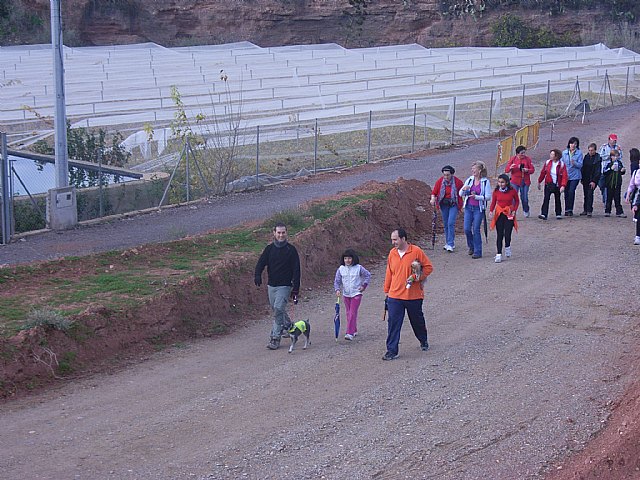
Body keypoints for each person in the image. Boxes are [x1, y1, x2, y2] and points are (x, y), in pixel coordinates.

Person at [382, 228, 433, 360]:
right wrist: (387, 290)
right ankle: (391, 350)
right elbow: (389, 272)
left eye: (395, 239)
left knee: (417, 321)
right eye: (392, 239)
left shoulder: (416, 251)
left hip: (413, 296)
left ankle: (423, 340)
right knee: (393, 323)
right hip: (395, 295)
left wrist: (417, 278)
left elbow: (428, 267)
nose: (393, 242)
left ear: (403, 239)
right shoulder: (392, 253)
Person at [254, 222, 301, 350]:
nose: (281, 235)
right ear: (274, 233)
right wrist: (257, 274)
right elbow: (261, 263)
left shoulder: (291, 250)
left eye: (283, 232)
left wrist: (295, 288)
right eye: (278, 232)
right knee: (277, 309)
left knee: (278, 308)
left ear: (286, 233)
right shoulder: (269, 249)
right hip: (272, 286)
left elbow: (297, 270)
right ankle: (289, 326)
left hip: (285, 286)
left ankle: (275, 338)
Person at [333, 249, 371, 341]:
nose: (347, 260)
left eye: (349, 258)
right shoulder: (341, 269)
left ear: (353, 259)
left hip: (356, 294)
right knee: (348, 313)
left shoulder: (359, 268)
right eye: (345, 258)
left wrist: (363, 286)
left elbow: (367, 275)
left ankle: (349, 333)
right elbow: (337, 281)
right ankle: (353, 329)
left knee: (352, 313)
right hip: (346, 294)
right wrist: (337, 289)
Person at [460, 161, 492, 259]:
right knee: (466, 228)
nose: (472, 170)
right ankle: (471, 246)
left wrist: (476, 197)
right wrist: (464, 189)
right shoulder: (469, 180)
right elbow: (460, 193)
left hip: (479, 208)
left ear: (480, 170)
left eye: (474, 169)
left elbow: (488, 197)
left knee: (476, 229)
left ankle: (478, 251)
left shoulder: (485, 182)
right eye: (472, 169)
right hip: (469, 207)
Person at [429, 165, 464, 252]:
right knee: (446, 223)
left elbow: (463, 192)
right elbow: (434, 192)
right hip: (444, 204)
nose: (446, 177)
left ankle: (450, 243)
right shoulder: (440, 182)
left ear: (452, 174)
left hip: (453, 204)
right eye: (444, 175)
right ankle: (448, 242)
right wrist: (433, 198)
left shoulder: (458, 182)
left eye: (448, 175)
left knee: (451, 222)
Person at [489, 174, 519, 263]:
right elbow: (493, 202)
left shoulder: (512, 191)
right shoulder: (496, 191)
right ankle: (498, 253)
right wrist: (491, 211)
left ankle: (507, 246)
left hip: (509, 213)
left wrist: (514, 210)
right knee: (499, 234)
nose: (500, 184)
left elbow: (517, 200)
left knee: (508, 233)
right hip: (499, 213)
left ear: (506, 182)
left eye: (502, 182)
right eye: (499, 182)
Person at [537, 148, 567, 220]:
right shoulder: (548, 163)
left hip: (557, 185)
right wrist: (539, 181)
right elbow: (543, 173)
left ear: (556, 156)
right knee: (546, 198)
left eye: (552, 154)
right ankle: (544, 214)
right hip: (548, 184)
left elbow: (564, 176)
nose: (550, 156)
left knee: (557, 199)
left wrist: (563, 185)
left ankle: (558, 213)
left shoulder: (561, 164)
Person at [505, 145, 535, 217]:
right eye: (521, 153)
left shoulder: (527, 159)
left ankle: (526, 209)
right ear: (517, 153)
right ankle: (512, 211)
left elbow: (532, 170)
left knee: (524, 197)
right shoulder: (513, 159)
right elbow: (506, 170)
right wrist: (512, 167)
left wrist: (527, 170)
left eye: (524, 153)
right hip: (515, 181)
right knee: (513, 197)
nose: (523, 155)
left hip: (525, 181)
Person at [598, 133, 623, 206]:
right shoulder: (604, 147)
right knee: (602, 185)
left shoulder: (618, 148)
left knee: (609, 185)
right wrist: (610, 155)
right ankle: (605, 196)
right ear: (609, 140)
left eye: (615, 140)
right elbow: (600, 156)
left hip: (613, 170)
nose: (614, 141)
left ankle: (607, 201)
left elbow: (620, 157)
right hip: (604, 168)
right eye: (613, 140)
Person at [561, 136, 583, 216]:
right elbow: (561, 163)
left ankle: (570, 209)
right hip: (566, 175)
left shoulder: (579, 153)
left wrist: (575, 163)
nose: (573, 145)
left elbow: (581, 165)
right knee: (566, 192)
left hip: (575, 176)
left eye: (575, 144)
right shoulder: (564, 153)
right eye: (572, 143)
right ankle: (567, 209)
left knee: (571, 191)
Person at [579, 143, 602, 217]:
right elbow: (583, 168)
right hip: (586, 178)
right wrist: (582, 178)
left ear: (595, 150)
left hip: (592, 179)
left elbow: (597, 171)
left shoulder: (598, 158)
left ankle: (589, 210)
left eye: (592, 150)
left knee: (590, 194)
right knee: (586, 194)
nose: (590, 152)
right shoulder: (586, 157)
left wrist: (594, 181)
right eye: (589, 150)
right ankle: (585, 209)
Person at [603, 149, 626, 218]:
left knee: (617, 198)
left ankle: (619, 212)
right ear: (611, 156)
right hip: (609, 183)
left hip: (617, 183)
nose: (615, 158)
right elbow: (605, 172)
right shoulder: (608, 163)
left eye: (617, 156)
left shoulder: (619, 163)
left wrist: (622, 170)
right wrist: (611, 169)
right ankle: (607, 211)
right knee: (609, 198)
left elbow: (622, 171)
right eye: (614, 156)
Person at [626, 165, 640, 245]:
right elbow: (631, 185)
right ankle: (638, 235)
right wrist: (628, 195)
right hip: (637, 195)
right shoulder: (636, 172)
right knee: (638, 216)